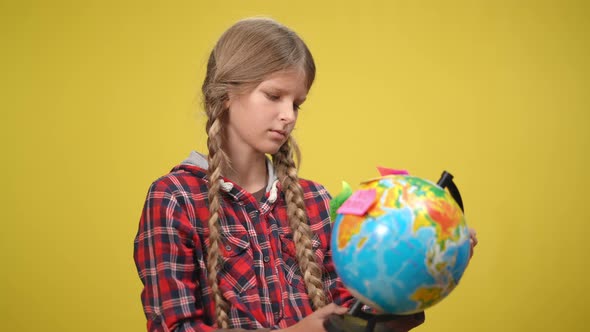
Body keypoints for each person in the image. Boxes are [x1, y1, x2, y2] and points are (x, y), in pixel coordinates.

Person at [134, 17, 472, 332]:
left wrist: (422, 266)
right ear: (225, 94)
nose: (288, 116)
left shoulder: (315, 200)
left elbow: (351, 315)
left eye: (296, 103)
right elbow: (173, 326)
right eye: (274, 96)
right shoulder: (175, 198)